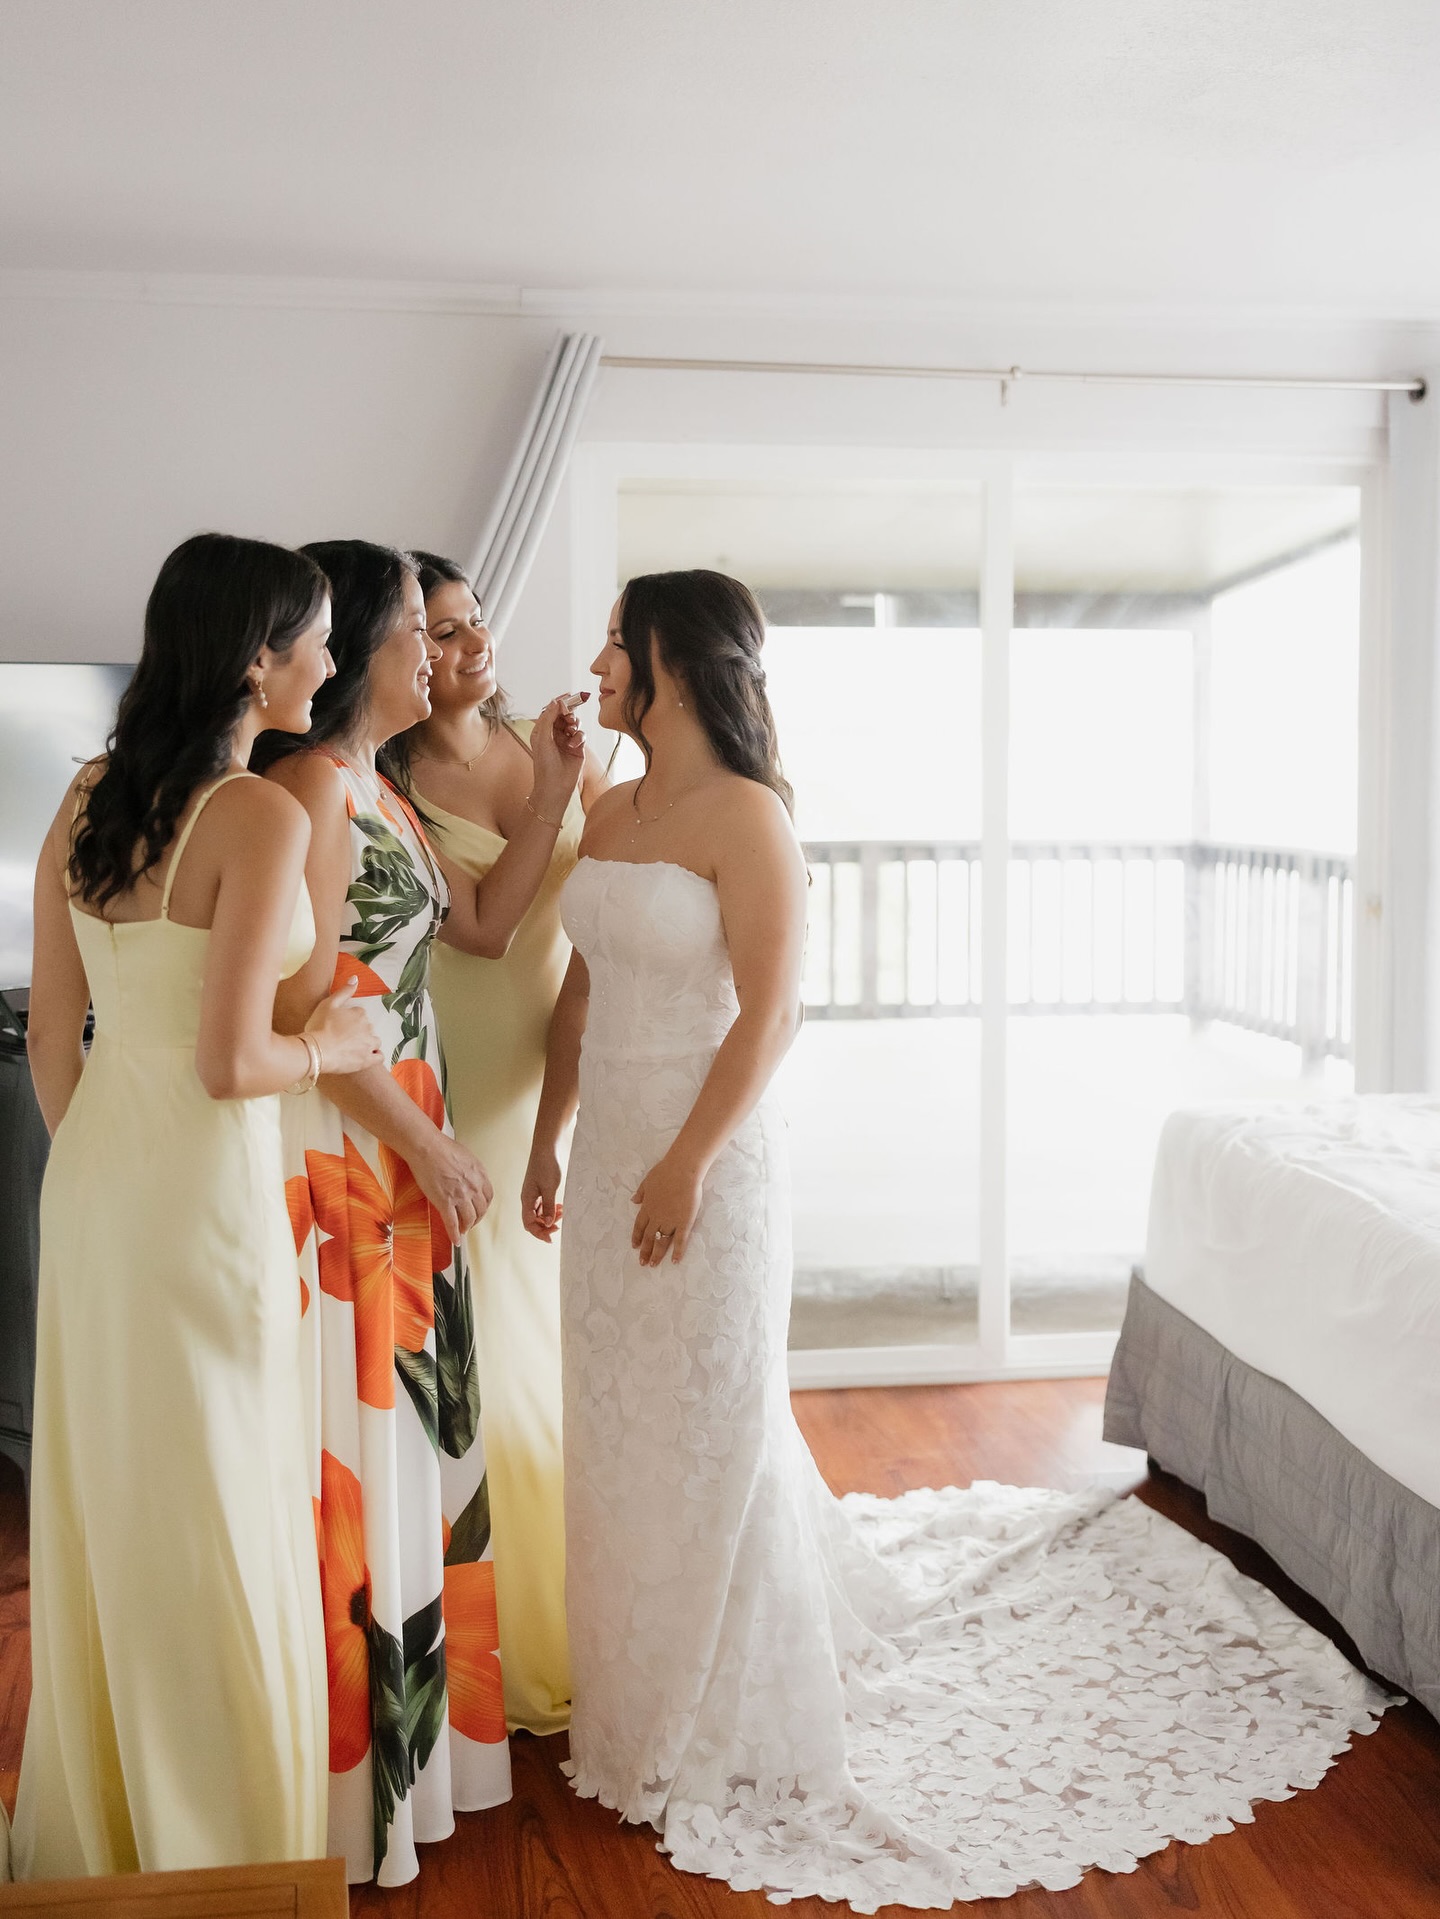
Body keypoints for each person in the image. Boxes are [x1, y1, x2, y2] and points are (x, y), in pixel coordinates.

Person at [522, 569, 1390, 1910]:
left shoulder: (749, 815)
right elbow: (580, 991)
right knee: (621, 1424)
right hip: (607, 1159)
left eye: (612, 641)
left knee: (705, 1423)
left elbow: (771, 1013)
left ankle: (715, 1703)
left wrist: (687, 1157)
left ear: (667, 658)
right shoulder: (615, 806)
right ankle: (629, 1688)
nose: (595, 662)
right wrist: (549, 1136)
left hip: (708, 1160)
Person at [12, 533, 380, 1879]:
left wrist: (110, 1167)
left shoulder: (87, 793)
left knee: (118, 1491)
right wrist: (331, 1048)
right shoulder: (262, 815)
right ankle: (227, 1851)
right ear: (255, 657)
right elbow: (233, 1061)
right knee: (220, 1494)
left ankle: (113, 1838)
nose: (329, 666)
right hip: (204, 1191)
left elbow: (52, 1034)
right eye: (316, 641)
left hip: (96, 1182)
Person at [255, 540, 584, 1887]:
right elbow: (311, 1015)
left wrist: (551, 788)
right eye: (411, 626)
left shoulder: (377, 789)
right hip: (359, 1158)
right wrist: (431, 1143)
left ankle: (423, 1769)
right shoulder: (313, 792)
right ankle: (360, 1799)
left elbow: (476, 930)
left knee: (415, 1457)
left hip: (408, 1146)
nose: (424, 647)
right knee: (369, 1453)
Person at [395, 550, 607, 1737]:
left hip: (569, 1065)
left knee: (570, 1347)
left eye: (476, 620)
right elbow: (480, 934)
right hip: (467, 1080)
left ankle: (603, 1607)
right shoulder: (390, 782)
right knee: (501, 1349)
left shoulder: (546, 741)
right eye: (443, 629)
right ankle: (516, 1631)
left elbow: (609, 893)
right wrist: (549, 797)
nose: (475, 642)